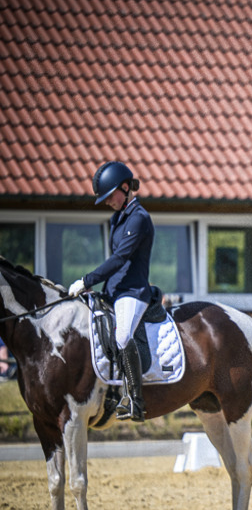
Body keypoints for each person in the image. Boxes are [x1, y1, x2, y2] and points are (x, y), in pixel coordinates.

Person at [68, 161, 152, 421]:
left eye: (109, 196)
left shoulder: (138, 218)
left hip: (133, 292)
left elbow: (120, 258)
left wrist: (87, 279)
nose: (107, 202)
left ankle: (136, 401)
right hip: (114, 290)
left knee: (124, 335)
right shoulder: (118, 218)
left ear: (125, 188)